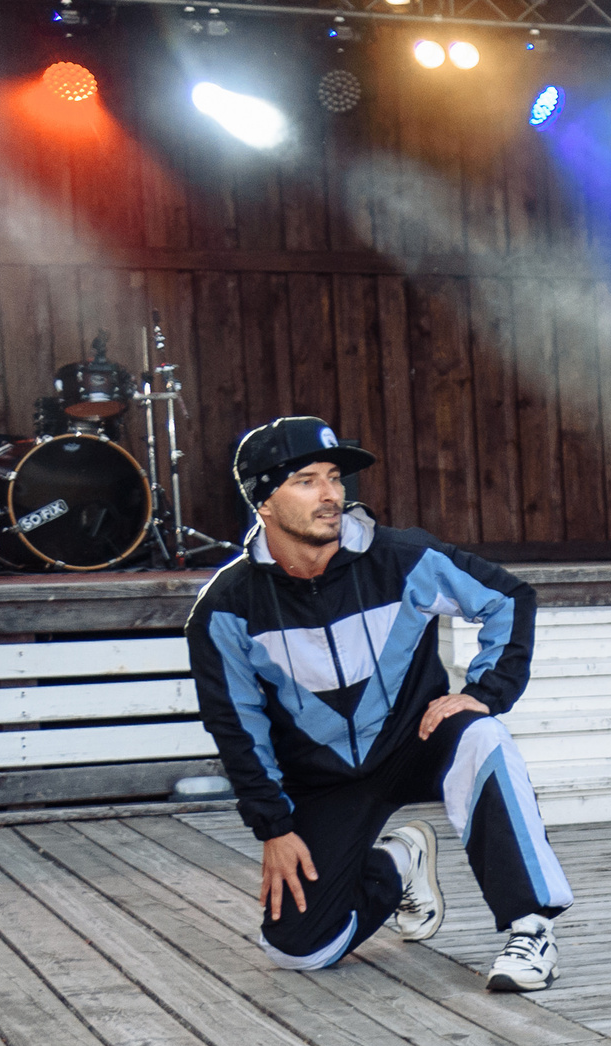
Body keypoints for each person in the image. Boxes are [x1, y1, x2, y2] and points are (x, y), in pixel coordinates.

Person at [186, 415, 571, 991]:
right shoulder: (227, 607)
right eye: (307, 480)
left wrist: (482, 694)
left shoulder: (401, 557)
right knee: (299, 949)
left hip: (415, 743)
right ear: (263, 502)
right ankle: (397, 864)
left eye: (335, 477)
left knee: (481, 735)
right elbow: (236, 726)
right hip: (327, 782)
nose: (331, 494)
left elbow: (509, 599)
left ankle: (530, 928)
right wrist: (273, 826)